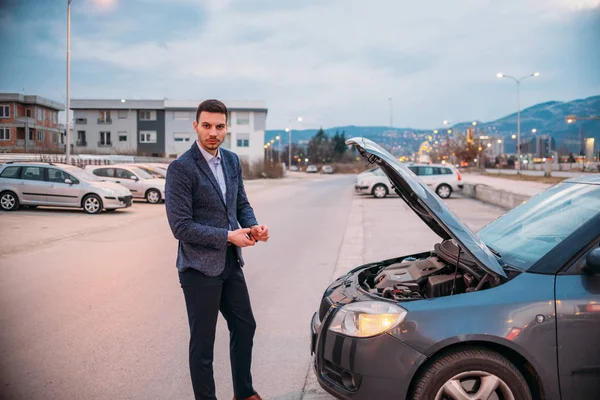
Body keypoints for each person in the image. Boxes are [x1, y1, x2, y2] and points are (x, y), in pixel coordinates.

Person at [165, 99, 269, 400]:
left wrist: (254, 228)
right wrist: (227, 236)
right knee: (203, 344)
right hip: (198, 268)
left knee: (245, 326)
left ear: (227, 128)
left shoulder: (232, 161)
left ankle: (244, 393)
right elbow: (181, 227)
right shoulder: (181, 169)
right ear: (196, 126)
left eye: (219, 126)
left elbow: (241, 204)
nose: (213, 132)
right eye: (207, 125)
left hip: (229, 263)